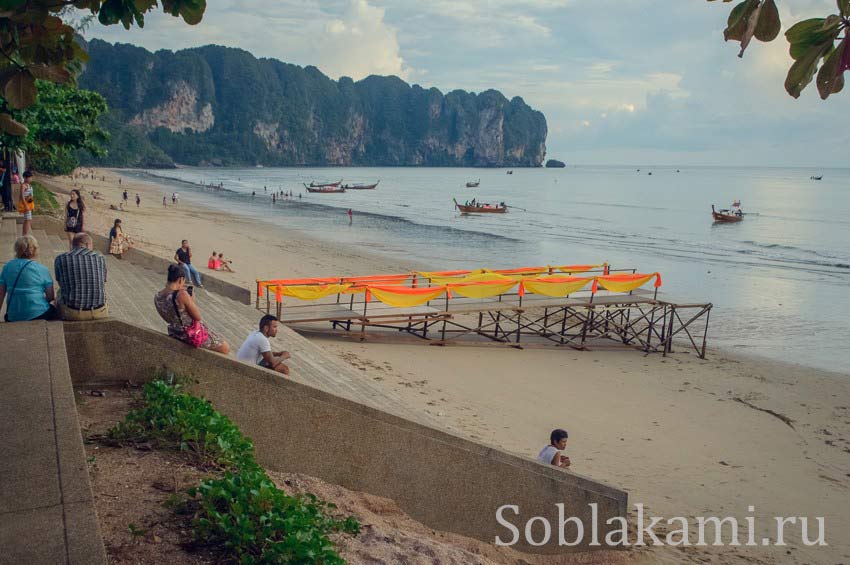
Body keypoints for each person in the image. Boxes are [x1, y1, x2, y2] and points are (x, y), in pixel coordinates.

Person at [154, 264, 228, 353]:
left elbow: (167, 318)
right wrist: (191, 299)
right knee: (225, 348)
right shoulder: (181, 295)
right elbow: (197, 317)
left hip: (174, 332)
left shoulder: (158, 296)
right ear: (180, 279)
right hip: (189, 334)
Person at [0, 235, 58, 322]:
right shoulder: (42, 269)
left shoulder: (7, 267)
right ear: (35, 250)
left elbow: (1, 294)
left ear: (16, 250)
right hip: (39, 312)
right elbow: (50, 297)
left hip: (13, 315)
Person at [54, 233, 108, 321]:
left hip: (72, 313)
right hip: (99, 311)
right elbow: (103, 281)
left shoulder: (60, 258)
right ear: (87, 244)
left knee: (59, 292)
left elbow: (60, 282)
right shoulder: (100, 258)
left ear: (73, 244)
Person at [18, 171, 35, 236]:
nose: (31, 179)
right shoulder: (23, 185)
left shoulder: (29, 185)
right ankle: (25, 234)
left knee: (28, 220)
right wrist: (26, 205)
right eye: (30, 177)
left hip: (30, 204)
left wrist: (32, 206)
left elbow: (31, 196)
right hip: (26, 205)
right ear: (25, 178)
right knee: (28, 219)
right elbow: (22, 196)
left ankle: (25, 233)